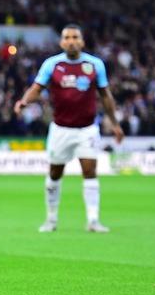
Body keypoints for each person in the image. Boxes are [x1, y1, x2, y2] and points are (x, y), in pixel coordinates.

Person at [14, 24, 124, 234]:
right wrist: (24, 101)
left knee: (90, 171)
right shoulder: (52, 65)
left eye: (75, 37)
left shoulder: (95, 65)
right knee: (55, 173)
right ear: (61, 42)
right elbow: (36, 88)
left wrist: (115, 124)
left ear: (82, 41)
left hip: (87, 129)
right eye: (67, 37)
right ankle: (51, 219)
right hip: (60, 129)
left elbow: (105, 96)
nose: (71, 41)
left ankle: (93, 220)